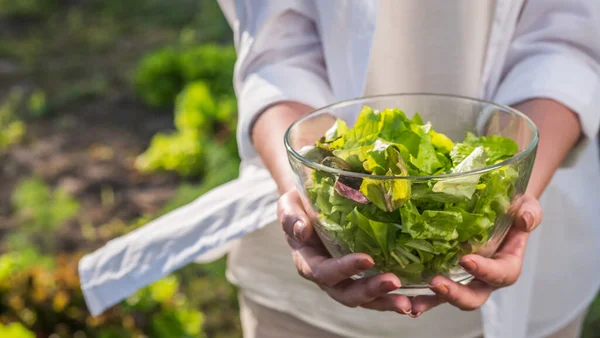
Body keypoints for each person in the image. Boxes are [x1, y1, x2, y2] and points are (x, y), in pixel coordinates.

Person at [216, 1, 600, 337]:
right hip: (302, 311)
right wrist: (311, 186)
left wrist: (513, 188)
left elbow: (567, 42)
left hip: (539, 287)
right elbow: (277, 50)